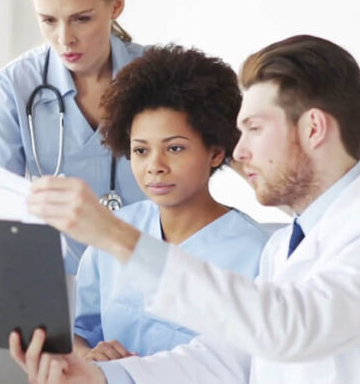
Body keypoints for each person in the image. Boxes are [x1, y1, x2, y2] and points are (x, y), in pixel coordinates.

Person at [11, 35, 360, 384]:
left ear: (314, 128)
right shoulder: (286, 246)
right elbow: (225, 361)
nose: (239, 152)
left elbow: (289, 325)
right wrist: (97, 378)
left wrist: (116, 236)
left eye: (254, 129)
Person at [73, 45, 268, 362]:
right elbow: (81, 334)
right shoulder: (113, 235)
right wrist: (92, 358)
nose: (155, 166)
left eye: (175, 148)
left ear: (216, 153)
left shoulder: (256, 254)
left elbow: (253, 376)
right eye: (140, 150)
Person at [0, 0, 146, 274]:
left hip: (148, 280)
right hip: (57, 286)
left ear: (115, 5)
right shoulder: (16, 86)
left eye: (81, 18)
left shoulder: (159, 78)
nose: (65, 38)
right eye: (48, 20)